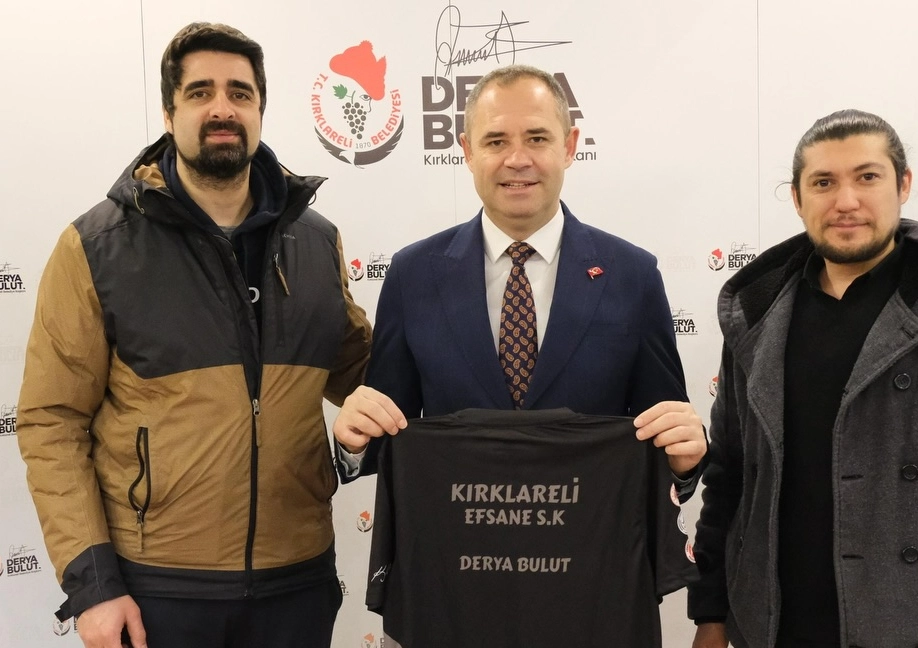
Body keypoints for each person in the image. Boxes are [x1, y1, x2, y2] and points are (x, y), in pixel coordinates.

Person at [17, 22, 371, 648]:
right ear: (168, 112)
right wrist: (93, 586)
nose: (222, 108)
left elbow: (361, 374)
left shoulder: (316, 241)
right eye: (200, 92)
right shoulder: (95, 248)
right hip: (157, 589)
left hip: (299, 581)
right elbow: (51, 421)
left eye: (240, 93)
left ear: (260, 110)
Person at [331, 64, 707, 641]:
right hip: (455, 597)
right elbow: (392, 434)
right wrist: (354, 444)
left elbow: (663, 435)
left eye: (536, 138)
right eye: (495, 141)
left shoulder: (632, 275)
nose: (517, 159)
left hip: (592, 600)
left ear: (570, 146)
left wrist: (686, 461)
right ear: (466, 151)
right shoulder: (413, 275)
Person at [689, 109, 918, 648]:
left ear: (903, 185)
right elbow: (730, 477)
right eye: (823, 183)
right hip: (771, 627)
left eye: (867, 177)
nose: (846, 201)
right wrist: (711, 613)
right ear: (798, 198)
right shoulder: (755, 314)